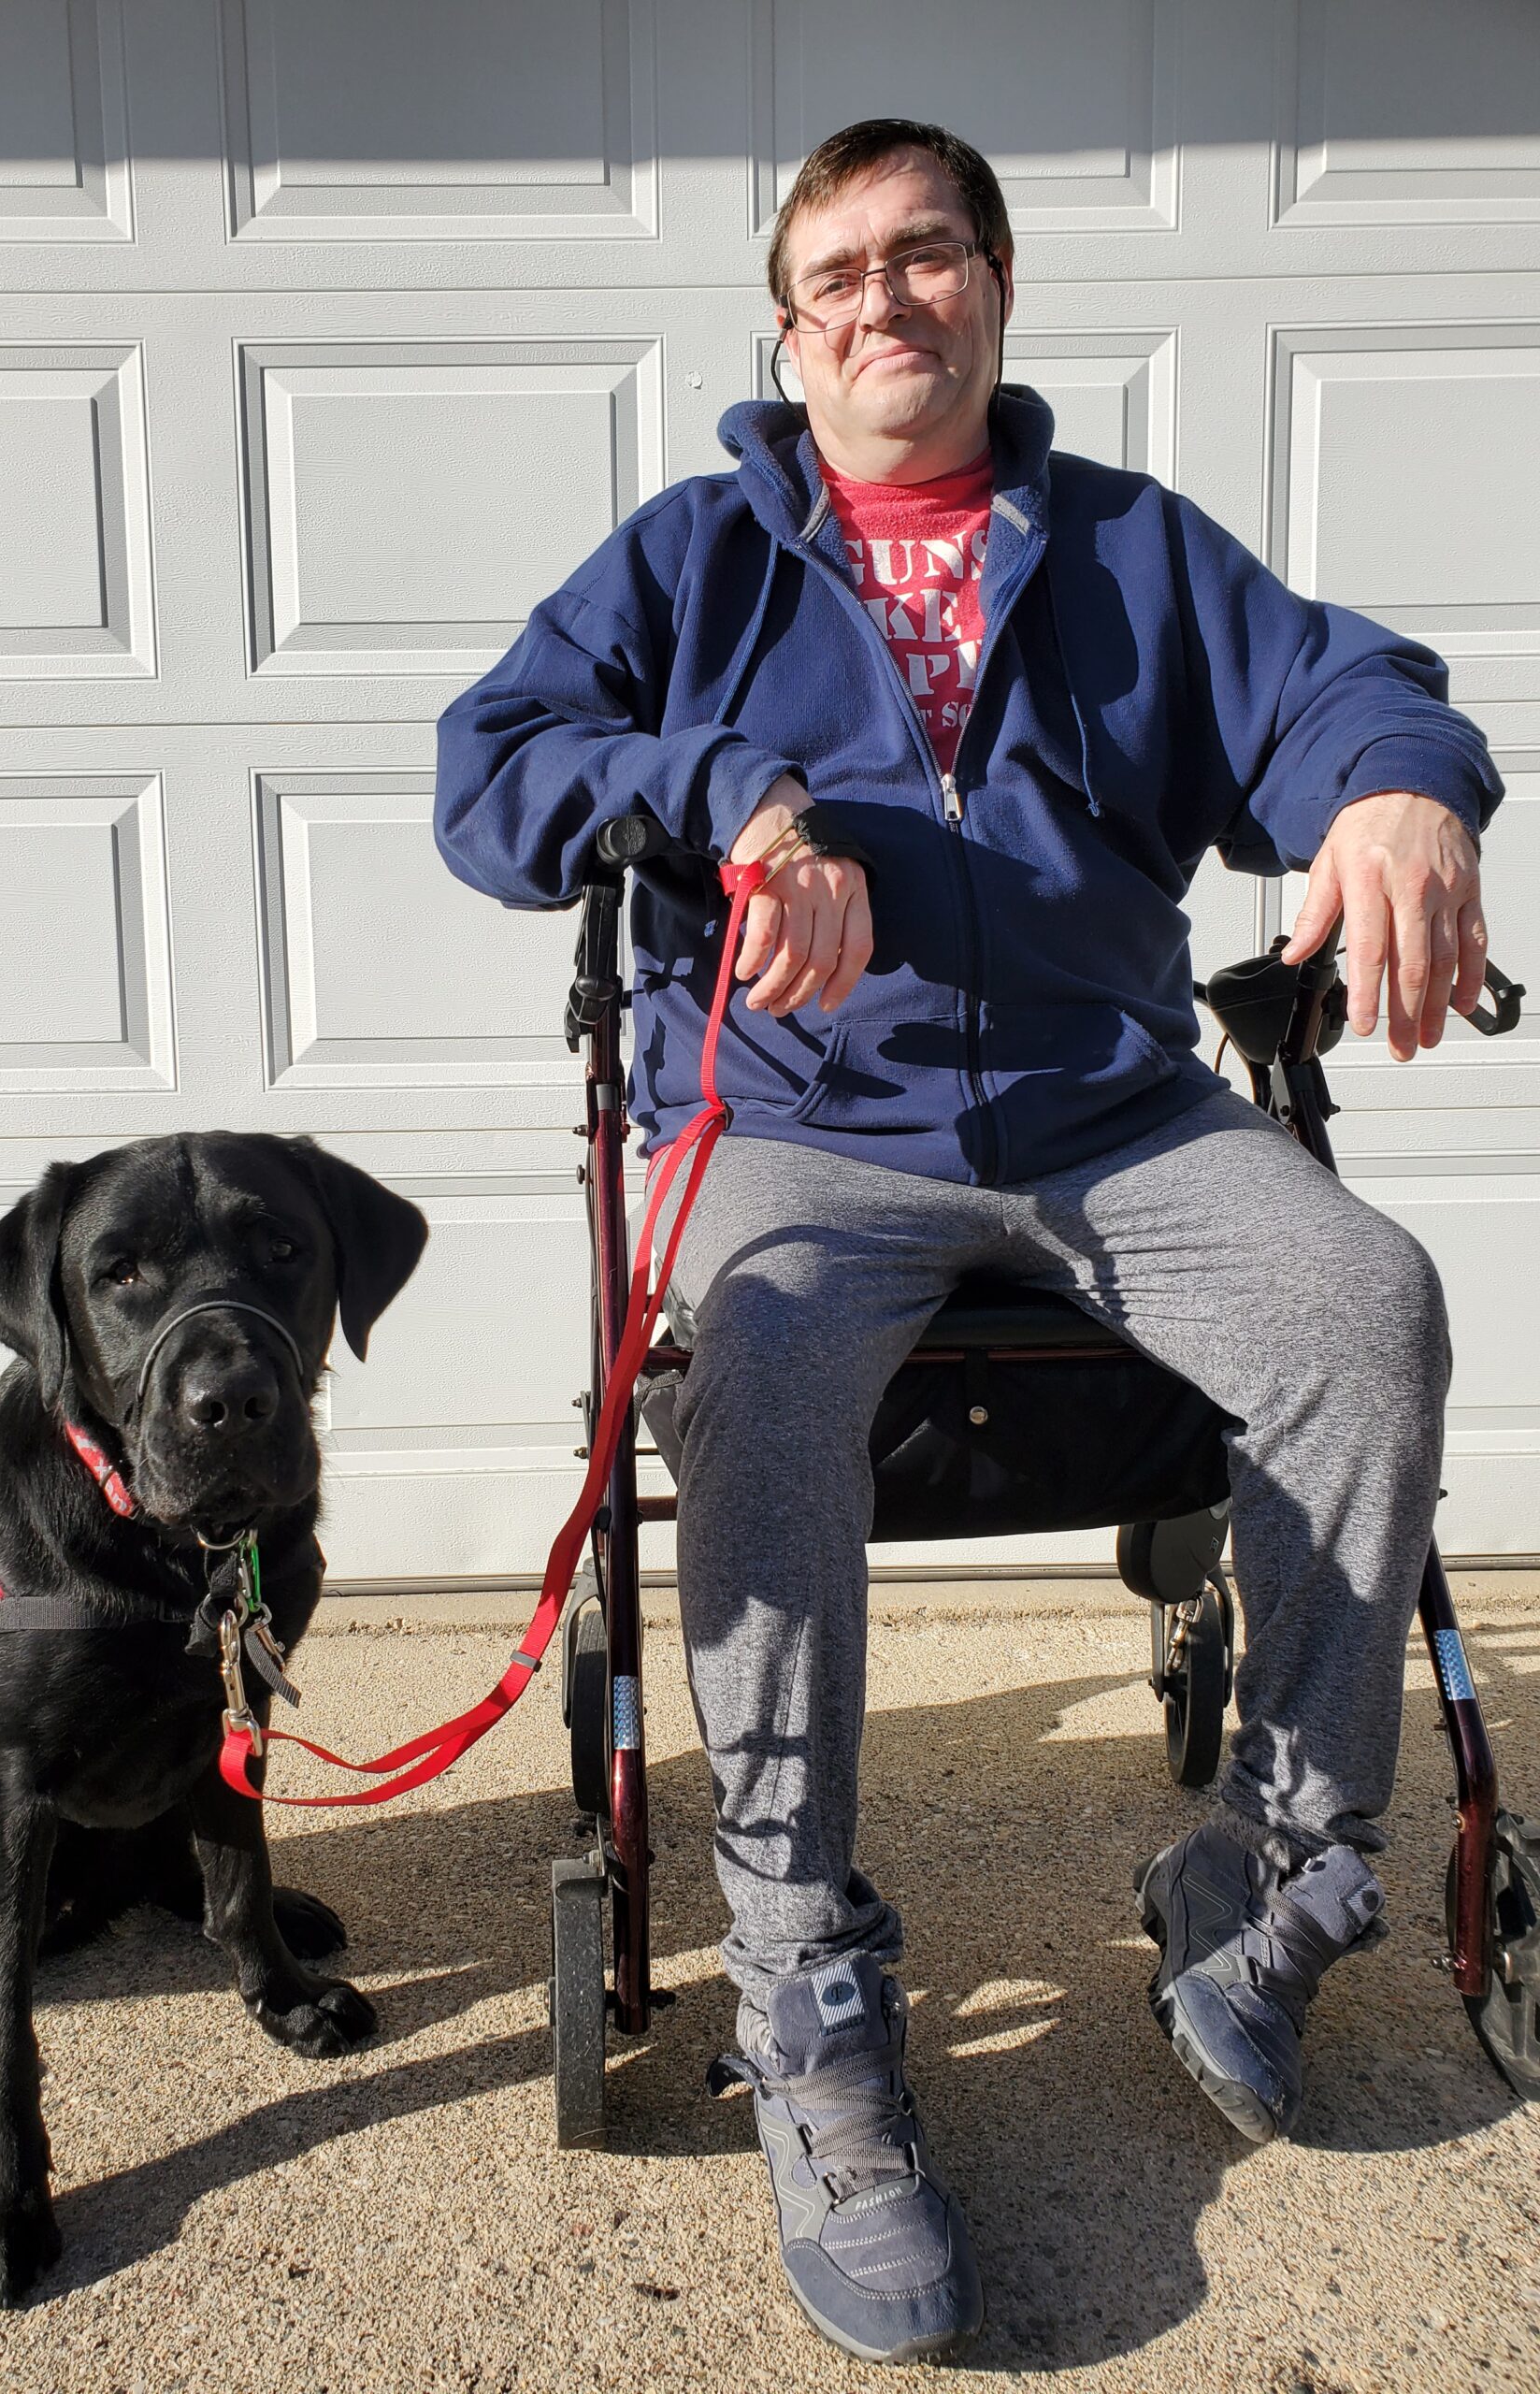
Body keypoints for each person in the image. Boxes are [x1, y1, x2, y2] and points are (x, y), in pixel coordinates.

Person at [432, 118, 1502, 2367]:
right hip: (809, 1124)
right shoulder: (697, 556)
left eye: (924, 257)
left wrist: (1401, 783)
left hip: (1113, 1112)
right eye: (833, 276)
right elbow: (493, 764)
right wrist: (733, 795)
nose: (879, 302)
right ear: (790, 334)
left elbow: (1340, 691)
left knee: (1365, 1294)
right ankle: (804, 1975)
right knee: (772, 1345)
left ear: (996, 289)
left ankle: (1271, 1858)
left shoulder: (1131, 554)